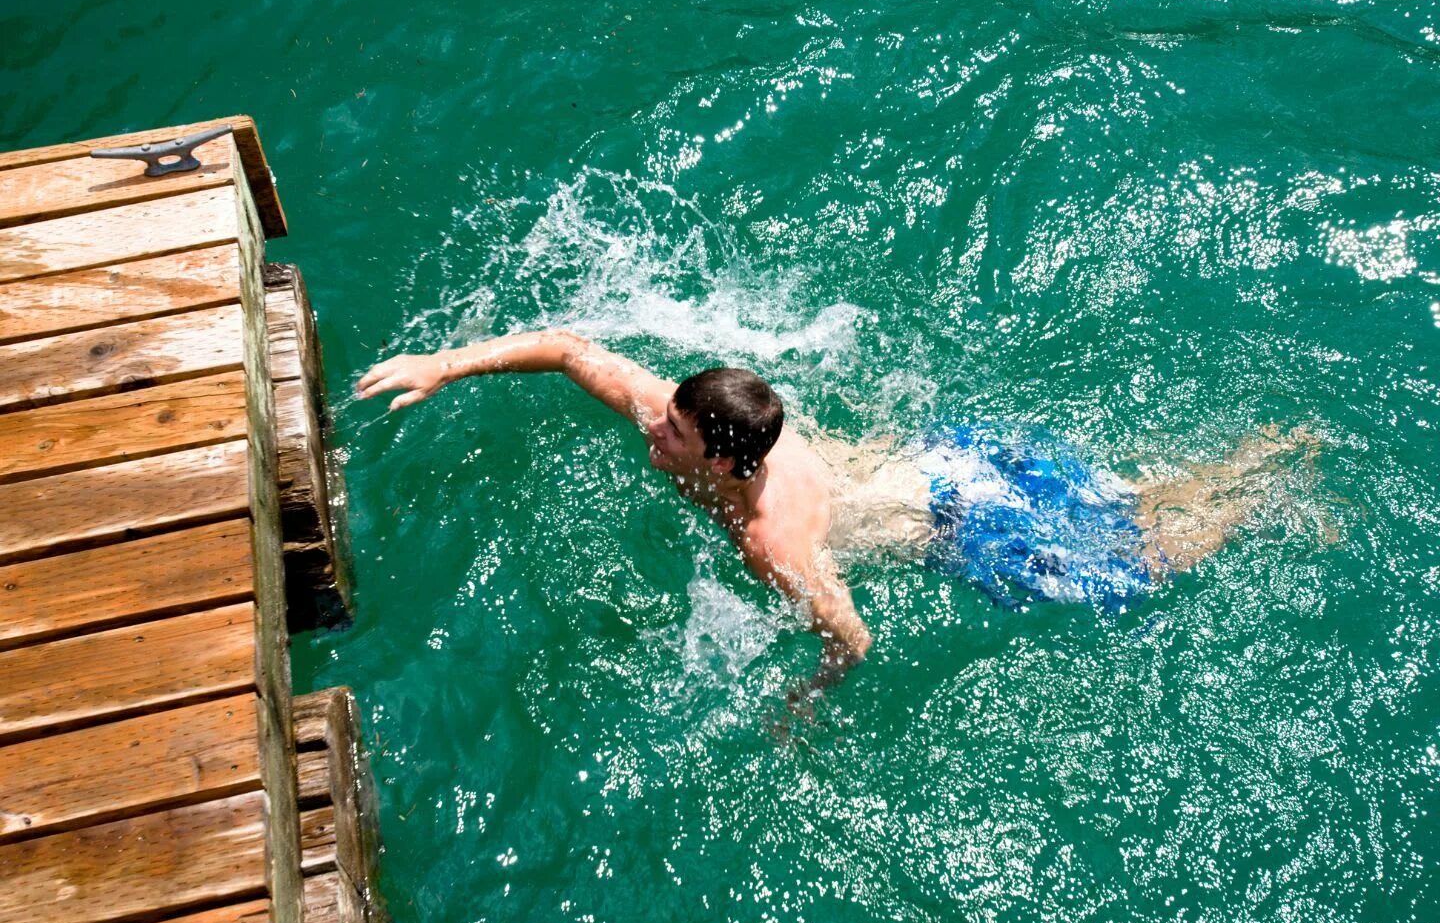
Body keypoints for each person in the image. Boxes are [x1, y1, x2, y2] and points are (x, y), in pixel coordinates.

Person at [357, 329, 1310, 709]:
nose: (655, 428)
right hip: (946, 460)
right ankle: (1262, 453)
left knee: (1138, 561)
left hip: (961, 523)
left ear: (729, 461)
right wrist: (445, 367)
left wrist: (809, 692)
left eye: (677, 435)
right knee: (1123, 499)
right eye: (668, 414)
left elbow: (854, 634)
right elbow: (572, 350)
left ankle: (1267, 499)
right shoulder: (714, 425)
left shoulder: (773, 542)